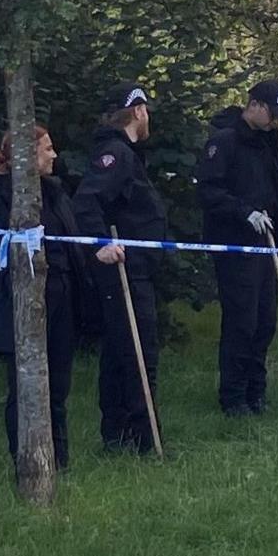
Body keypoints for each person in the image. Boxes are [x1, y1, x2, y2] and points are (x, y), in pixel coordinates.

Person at [0, 126, 94, 468]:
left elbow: (72, 244)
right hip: (24, 300)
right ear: (27, 158)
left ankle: (59, 459)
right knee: (25, 385)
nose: (54, 155)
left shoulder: (56, 194)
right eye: (47, 149)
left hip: (62, 297)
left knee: (58, 383)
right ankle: (26, 459)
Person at [73, 83, 167, 453]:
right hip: (125, 272)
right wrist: (101, 244)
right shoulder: (116, 154)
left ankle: (117, 436)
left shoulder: (126, 154)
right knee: (140, 352)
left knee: (118, 351)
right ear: (139, 111)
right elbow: (86, 202)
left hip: (135, 268)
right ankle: (144, 439)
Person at [197, 79, 278, 416]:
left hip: (266, 242)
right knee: (242, 321)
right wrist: (244, 212)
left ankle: (257, 391)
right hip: (236, 245)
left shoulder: (266, 144)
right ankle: (233, 396)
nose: (275, 121)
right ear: (254, 105)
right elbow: (209, 191)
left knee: (265, 321)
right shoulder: (224, 142)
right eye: (272, 113)